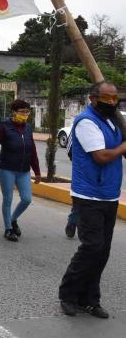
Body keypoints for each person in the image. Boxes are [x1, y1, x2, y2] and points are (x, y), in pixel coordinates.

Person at [59, 81, 125, 319]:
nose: (111, 103)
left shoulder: (113, 122)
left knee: (103, 250)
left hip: (109, 193)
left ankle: (89, 299)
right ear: (93, 99)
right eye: (106, 99)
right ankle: (68, 294)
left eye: (114, 99)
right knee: (92, 247)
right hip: (88, 195)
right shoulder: (86, 122)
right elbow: (101, 156)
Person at [0, 100, 42, 242]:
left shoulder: (28, 128)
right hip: (7, 169)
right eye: (21, 112)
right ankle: (8, 229)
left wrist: (37, 171)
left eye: (27, 112)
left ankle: (13, 219)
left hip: (24, 170)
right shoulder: (4, 127)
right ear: (14, 112)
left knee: (26, 199)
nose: (24, 115)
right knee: (8, 199)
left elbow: (33, 151)